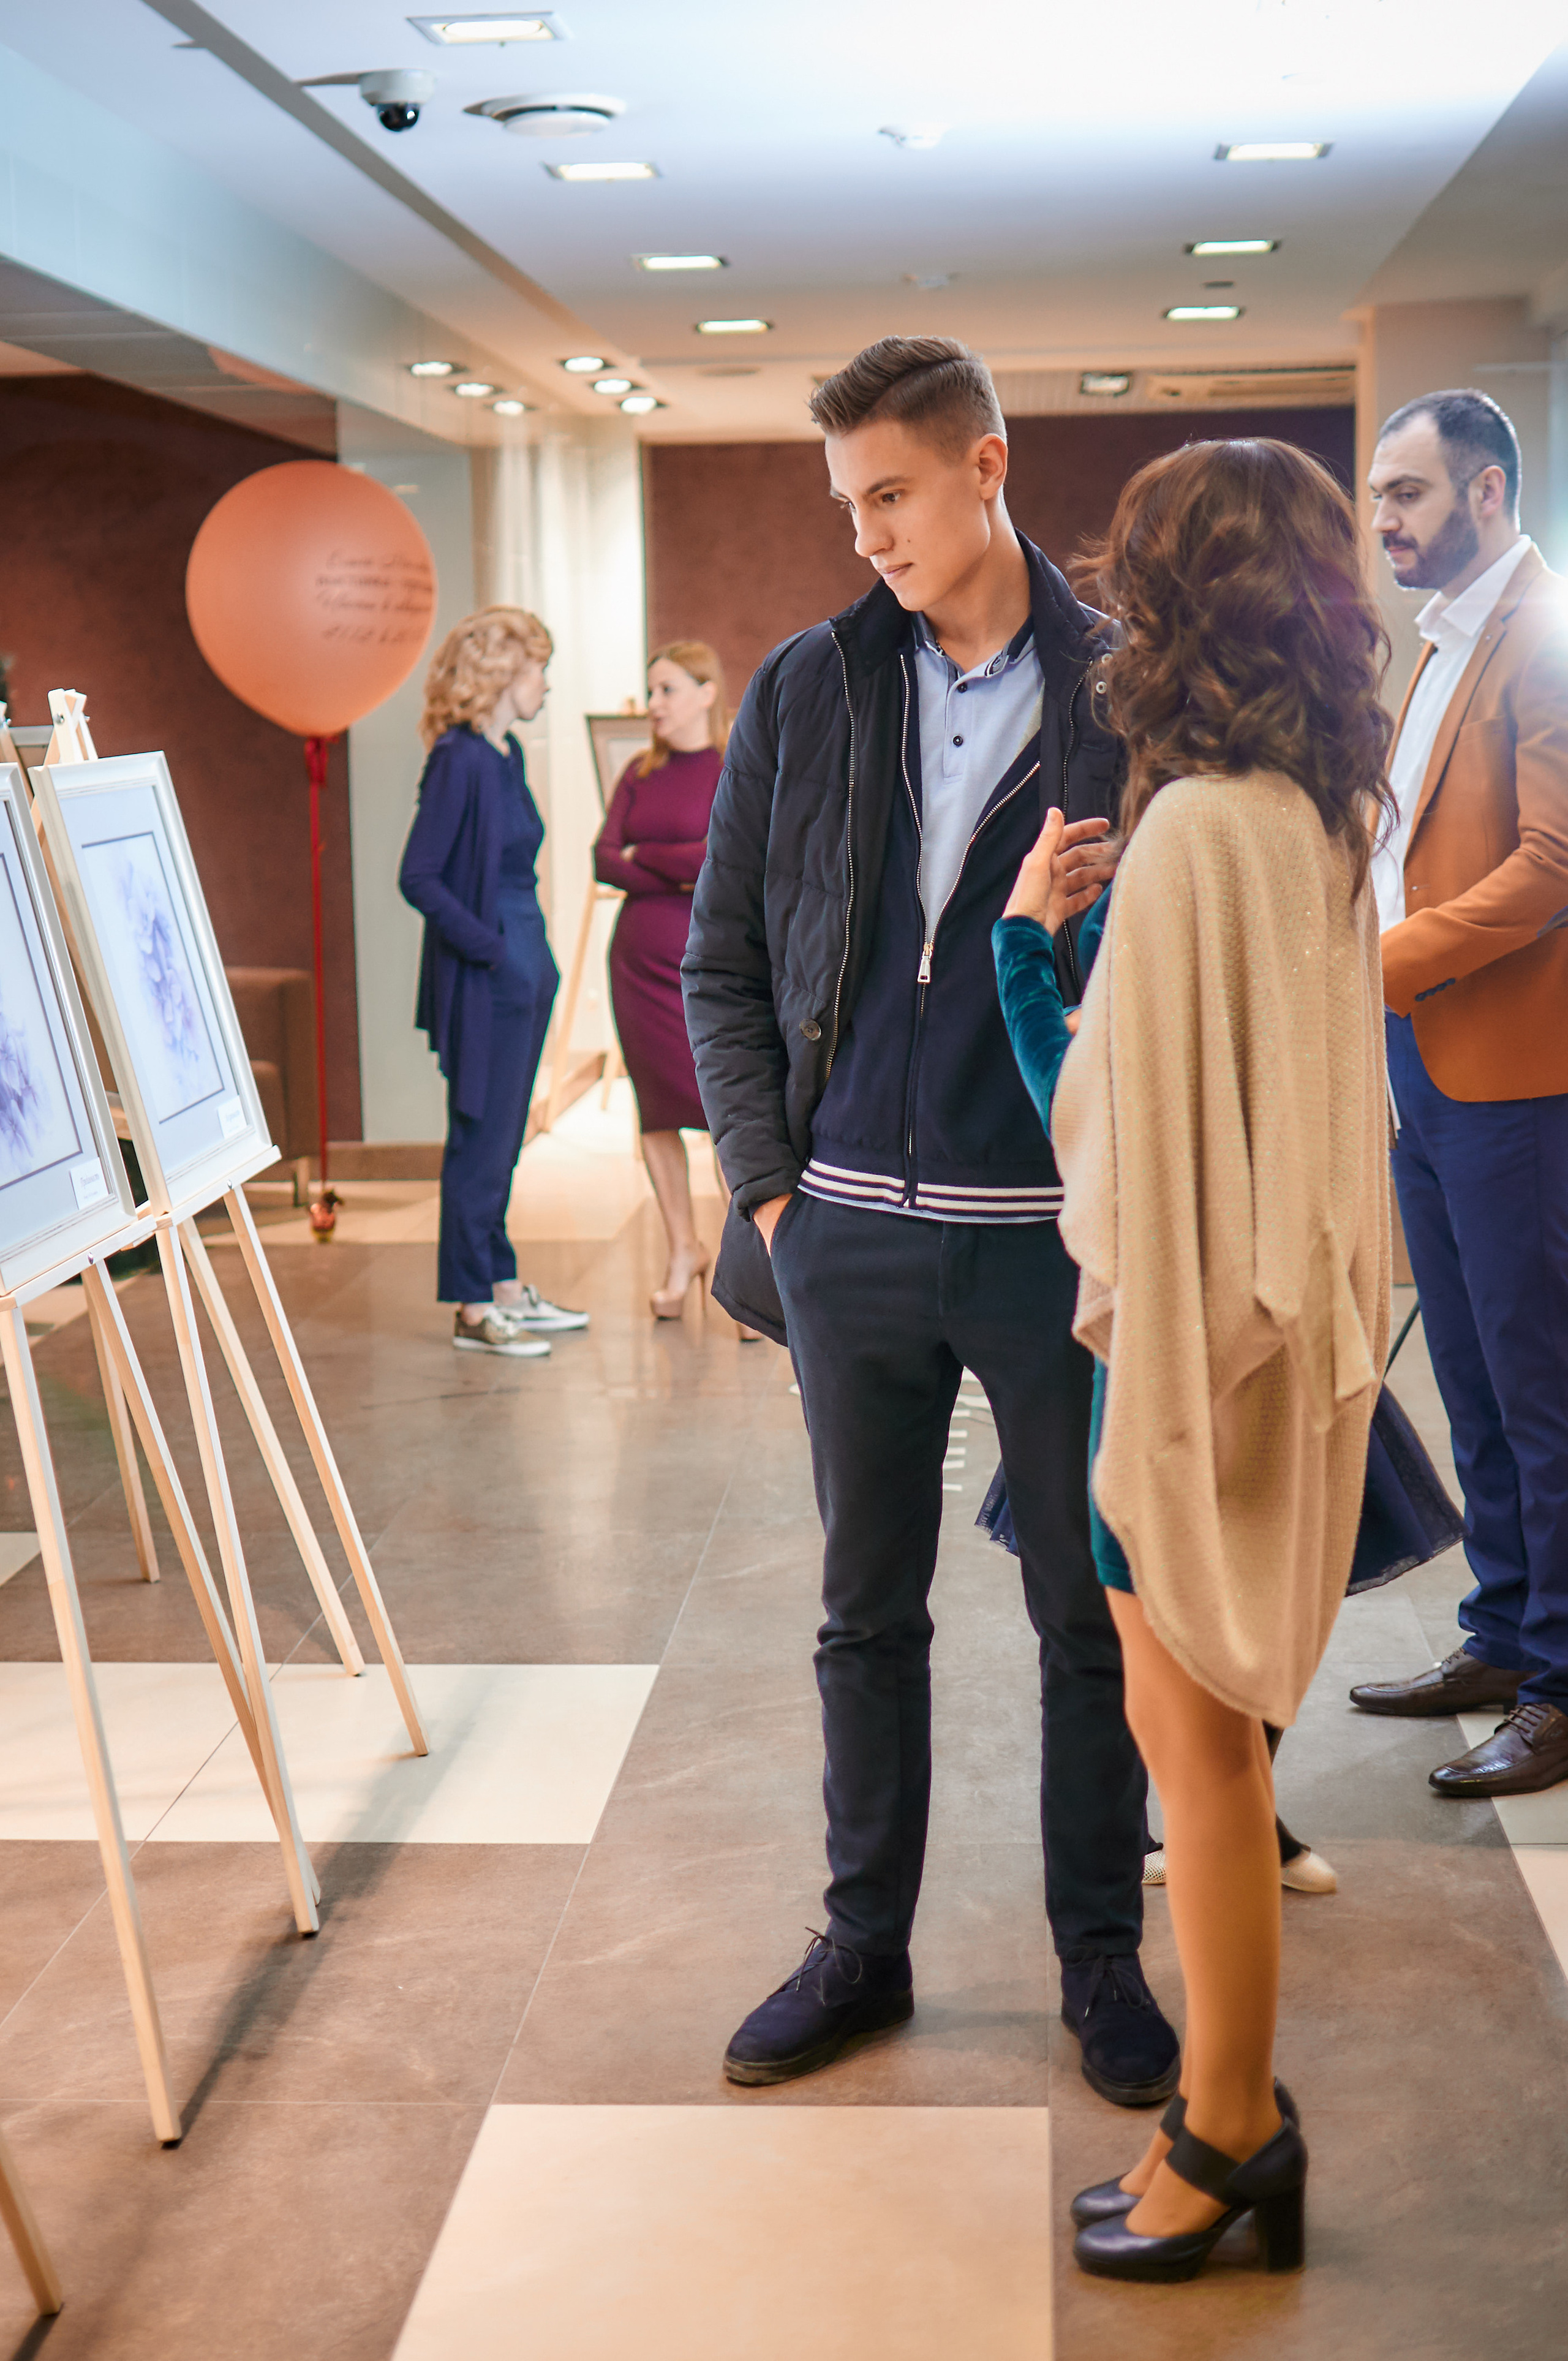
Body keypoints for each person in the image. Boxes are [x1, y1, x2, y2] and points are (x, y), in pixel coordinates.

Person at [682, 336, 1181, 2108]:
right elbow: (723, 959)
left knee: (1088, 1615)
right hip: (849, 1242)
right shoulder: (809, 683)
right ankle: (861, 1942)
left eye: (890, 493)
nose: (868, 534)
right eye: (848, 504)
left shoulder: (1132, 693)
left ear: (985, 465)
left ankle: (1099, 1956)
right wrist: (775, 1195)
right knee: (861, 1614)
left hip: (1054, 1239)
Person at [993, 438, 1392, 2284]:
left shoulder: (1185, 835)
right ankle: (1225, 2116)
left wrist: (1026, 952)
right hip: (1279, 1337)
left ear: (1175, 608)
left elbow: (1103, 1139)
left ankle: (1228, 2128)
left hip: (1175, 1356)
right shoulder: (1316, 815)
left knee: (1195, 1757)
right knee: (1217, 1750)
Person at [1351, 390, 1568, 1795]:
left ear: (1485, 492)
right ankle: (1499, 1632)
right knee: (1472, 1377)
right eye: (1378, 493)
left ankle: (1559, 1679)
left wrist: (1374, 964)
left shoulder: (1540, 635)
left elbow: (1550, 863)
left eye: (1407, 493)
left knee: (1538, 1383)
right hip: (1419, 1069)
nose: (1382, 518)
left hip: (1511, 1079)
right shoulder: (1436, 639)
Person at [399, 605, 588, 1358]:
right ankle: (472, 1305)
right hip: (492, 977)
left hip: (522, 971)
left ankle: (501, 1282)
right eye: (538, 666)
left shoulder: (504, 754)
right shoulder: (460, 758)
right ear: (502, 672)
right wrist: (494, 952)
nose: (545, 682)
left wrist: (525, 960)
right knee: (481, 1138)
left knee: (505, 1137)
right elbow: (419, 876)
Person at [594, 643, 740, 1321]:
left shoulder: (733, 768)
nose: (653, 704)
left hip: (707, 963)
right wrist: (673, 866)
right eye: (651, 690)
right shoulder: (638, 772)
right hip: (636, 962)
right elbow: (603, 859)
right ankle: (683, 1250)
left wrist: (642, 855)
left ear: (706, 693)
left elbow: (722, 859)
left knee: (721, 1112)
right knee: (656, 1111)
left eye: (667, 689)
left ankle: (743, 1268)